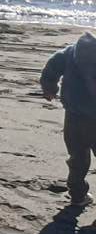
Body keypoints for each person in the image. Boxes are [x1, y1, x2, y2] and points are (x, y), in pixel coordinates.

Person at [41, 32, 96, 205]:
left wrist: (49, 87)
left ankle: (77, 195)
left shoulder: (72, 51)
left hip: (74, 116)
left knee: (77, 158)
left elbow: (52, 65)